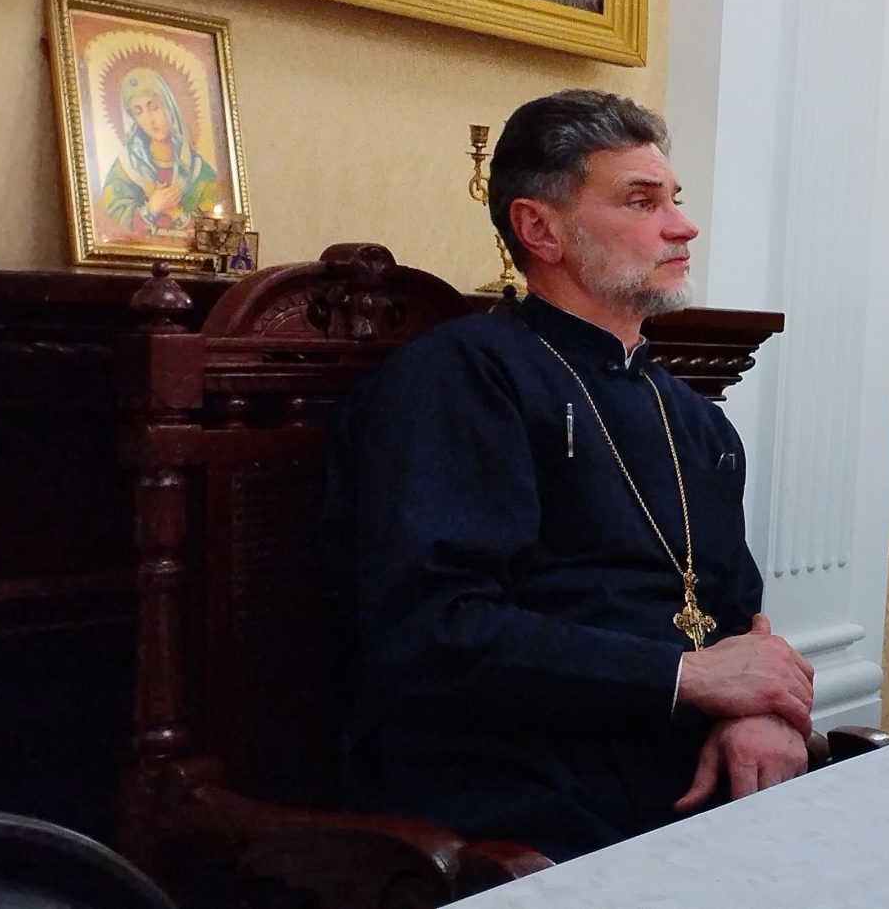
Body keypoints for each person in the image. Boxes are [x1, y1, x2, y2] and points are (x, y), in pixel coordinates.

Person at [325, 90, 815, 861]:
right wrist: (688, 679)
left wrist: (756, 712)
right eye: (642, 201)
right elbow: (434, 633)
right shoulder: (458, 382)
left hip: (684, 771)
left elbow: (735, 619)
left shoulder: (696, 419)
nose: (683, 226)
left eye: (675, 199)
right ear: (540, 229)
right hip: (515, 790)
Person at [96, 68, 221, 237]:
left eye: (154, 107)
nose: (150, 120)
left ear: (170, 107)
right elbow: (111, 222)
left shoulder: (199, 171)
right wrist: (152, 207)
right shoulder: (126, 168)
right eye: (138, 112)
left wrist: (175, 212)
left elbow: (214, 230)